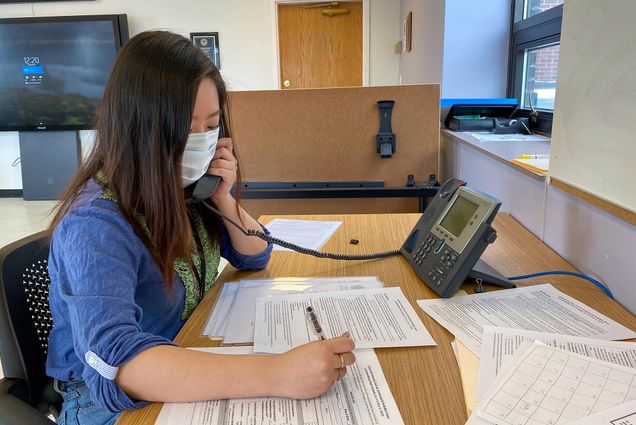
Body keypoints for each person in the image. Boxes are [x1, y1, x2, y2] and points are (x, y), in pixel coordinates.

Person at [46, 30, 356, 425]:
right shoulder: (94, 224)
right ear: (139, 127)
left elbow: (255, 255)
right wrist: (276, 374)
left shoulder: (184, 189)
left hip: (183, 354)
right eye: (187, 128)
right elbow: (115, 367)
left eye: (211, 127)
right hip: (106, 403)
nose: (203, 142)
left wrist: (221, 195)